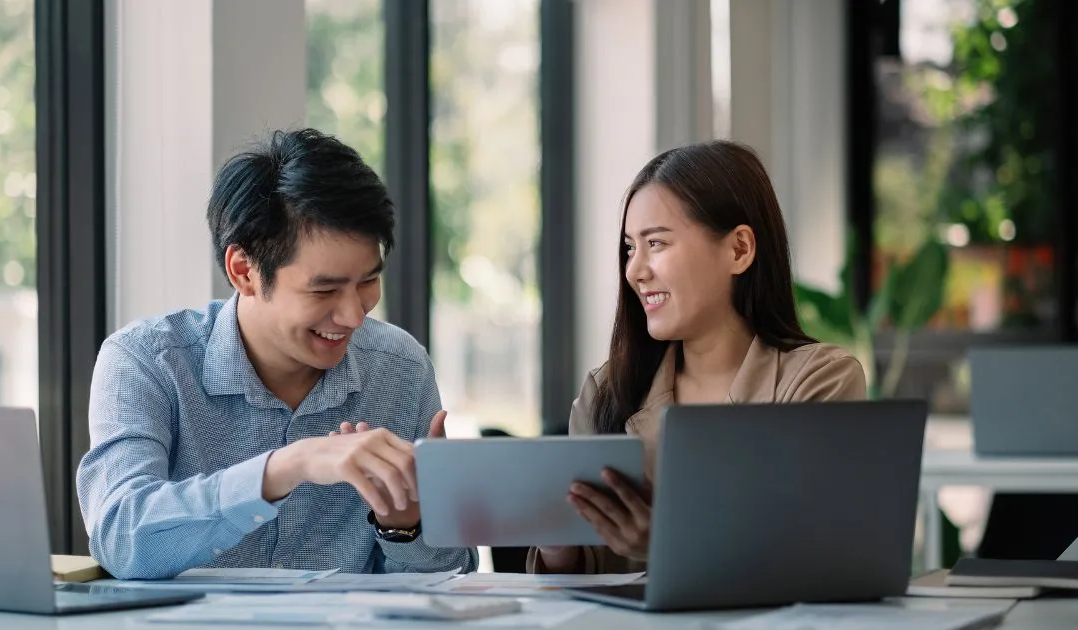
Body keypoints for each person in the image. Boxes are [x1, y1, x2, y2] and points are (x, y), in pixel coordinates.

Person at [77, 129, 477, 579]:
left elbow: (449, 579)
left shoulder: (399, 367)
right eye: (324, 288)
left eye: (367, 281)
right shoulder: (147, 360)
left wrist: (408, 525)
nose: (352, 315)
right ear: (244, 271)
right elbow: (122, 536)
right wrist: (288, 467)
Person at [528, 140, 866, 574]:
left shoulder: (820, 382)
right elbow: (582, 578)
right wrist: (558, 545)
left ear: (739, 250)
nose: (634, 270)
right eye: (631, 248)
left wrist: (667, 541)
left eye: (657, 244)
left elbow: (815, 556)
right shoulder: (608, 391)